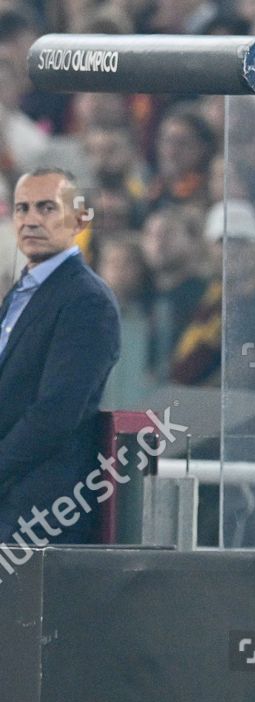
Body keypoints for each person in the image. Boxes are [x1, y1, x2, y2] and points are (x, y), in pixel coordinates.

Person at [0, 167, 121, 544]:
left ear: (79, 218)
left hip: (38, 511)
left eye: (47, 208)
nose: (31, 220)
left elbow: (56, 411)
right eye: (22, 209)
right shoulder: (22, 292)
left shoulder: (86, 300)